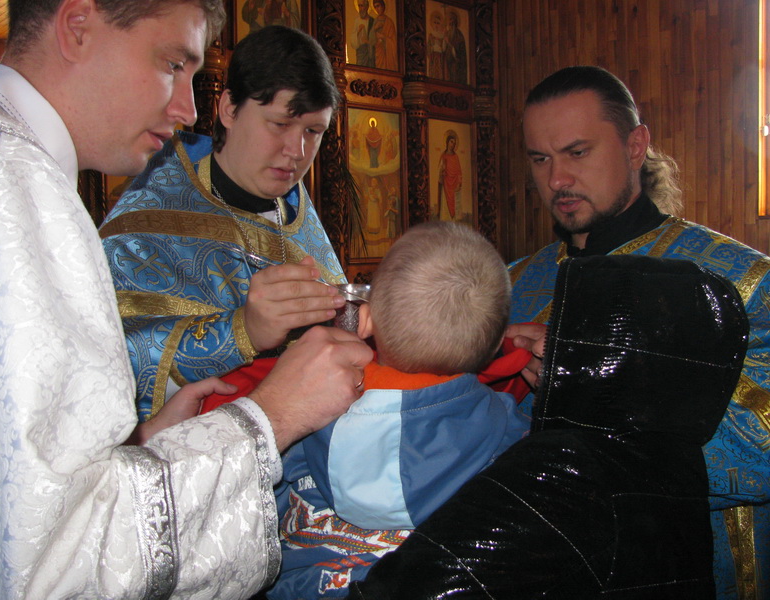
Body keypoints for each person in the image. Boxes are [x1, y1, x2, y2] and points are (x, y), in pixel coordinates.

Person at [0, 1, 373, 598]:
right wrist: (249, 354)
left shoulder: (13, 170)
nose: (187, 110)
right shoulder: (7, 190)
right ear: (77, 28)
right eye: (172, 64)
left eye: (313, 132)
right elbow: (48, 560)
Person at [349, 65, 770, 598]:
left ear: (635, 146)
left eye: (577, 152)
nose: (556, 180)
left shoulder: (738, 282)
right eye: (540, 159)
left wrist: (586, 388)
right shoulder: (508, 283)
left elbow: (761, 444)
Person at [348, 253, 749, 599]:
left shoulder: (563, 465)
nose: (556, 339)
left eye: (574, 326)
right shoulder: (676, 460)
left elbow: (422, 585)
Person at [263, 221, 529, 598]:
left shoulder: (311, 412)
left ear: (365, 321)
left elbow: (264, 507)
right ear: (497, 342)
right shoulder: (507, 426)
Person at [100, 25, 346, 422]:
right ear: (229, 109)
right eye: (280, 124)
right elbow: (108, 355)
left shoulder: (296, 209)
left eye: (313, 131)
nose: (296, 151)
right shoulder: (153, 207)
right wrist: (242, 331)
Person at [369, 0, 396, 71]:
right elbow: (370, 39)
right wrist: (375, 29)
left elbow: (393, 42)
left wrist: (383, 37)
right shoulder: (375, 21)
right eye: (375, 7)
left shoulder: (389, 22)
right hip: (377, 51)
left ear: (383, 6)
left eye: (378, 6)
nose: (377, 9)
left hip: (386, 54)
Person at [350, 0, 375, 67]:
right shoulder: (357, 21)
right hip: (361, 52)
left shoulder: (372, 21)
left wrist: (368, 41)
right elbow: (353, 38)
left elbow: (375, 39)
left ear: (367, 7)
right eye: (359, 6)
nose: (360, 8)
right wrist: (358, 31)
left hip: (370, 52)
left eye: (362, 6)